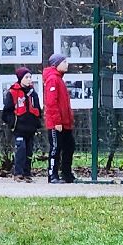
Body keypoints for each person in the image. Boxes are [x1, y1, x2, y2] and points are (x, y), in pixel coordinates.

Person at [1, 66, 42, 182]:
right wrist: (12, 123)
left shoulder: (33, 93)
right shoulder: (13, 92)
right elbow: (7, 111)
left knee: (29, 151)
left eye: (30, 77)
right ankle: (18, 173)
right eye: (26, 77)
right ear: (20, 78)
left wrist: (37, 122)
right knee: (21, 149)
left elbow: (38, 108)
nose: (29, 79)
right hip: (19, 127)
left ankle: (27, 172)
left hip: (31, 127)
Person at [43, 53, 76, 183]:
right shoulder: (53, 79)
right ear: (56, 64)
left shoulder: (59, 79)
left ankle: (66, 174)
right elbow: (51, 103)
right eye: (64, 62)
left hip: (65, 122)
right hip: (56, 123)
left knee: (69, 146)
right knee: (56, 148)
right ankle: (52, 175)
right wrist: (57, 121)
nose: (67, 64)